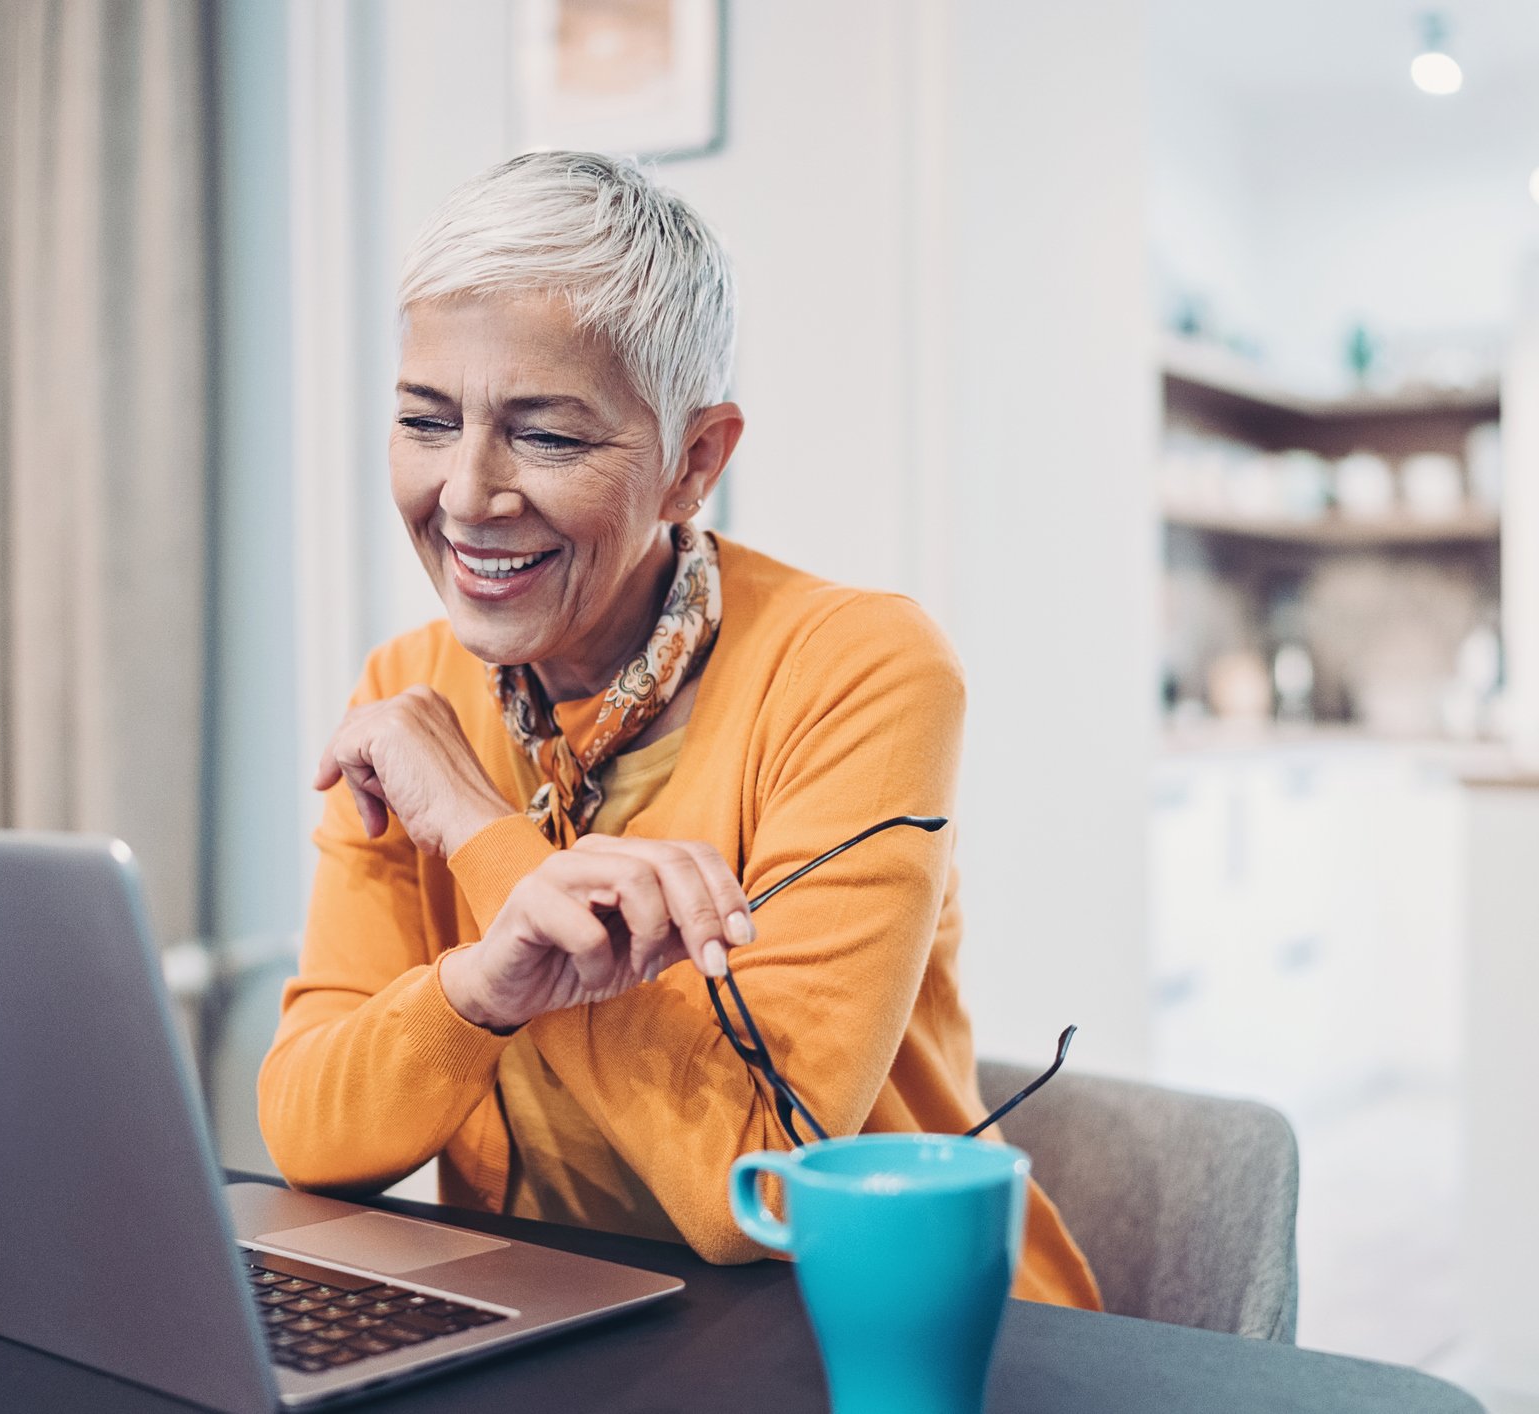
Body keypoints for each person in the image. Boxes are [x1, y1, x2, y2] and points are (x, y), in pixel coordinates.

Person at [258, 151, 1099, 1308]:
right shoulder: (408, 691)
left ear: (693, 463)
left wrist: (484, 839)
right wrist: (483, 988)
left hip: (890, 1330)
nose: (465, 494)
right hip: (570, 1332)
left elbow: (759, 1187)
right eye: (425, 420)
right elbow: (309, 1130)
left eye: (547, 437)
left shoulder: (864, 669)